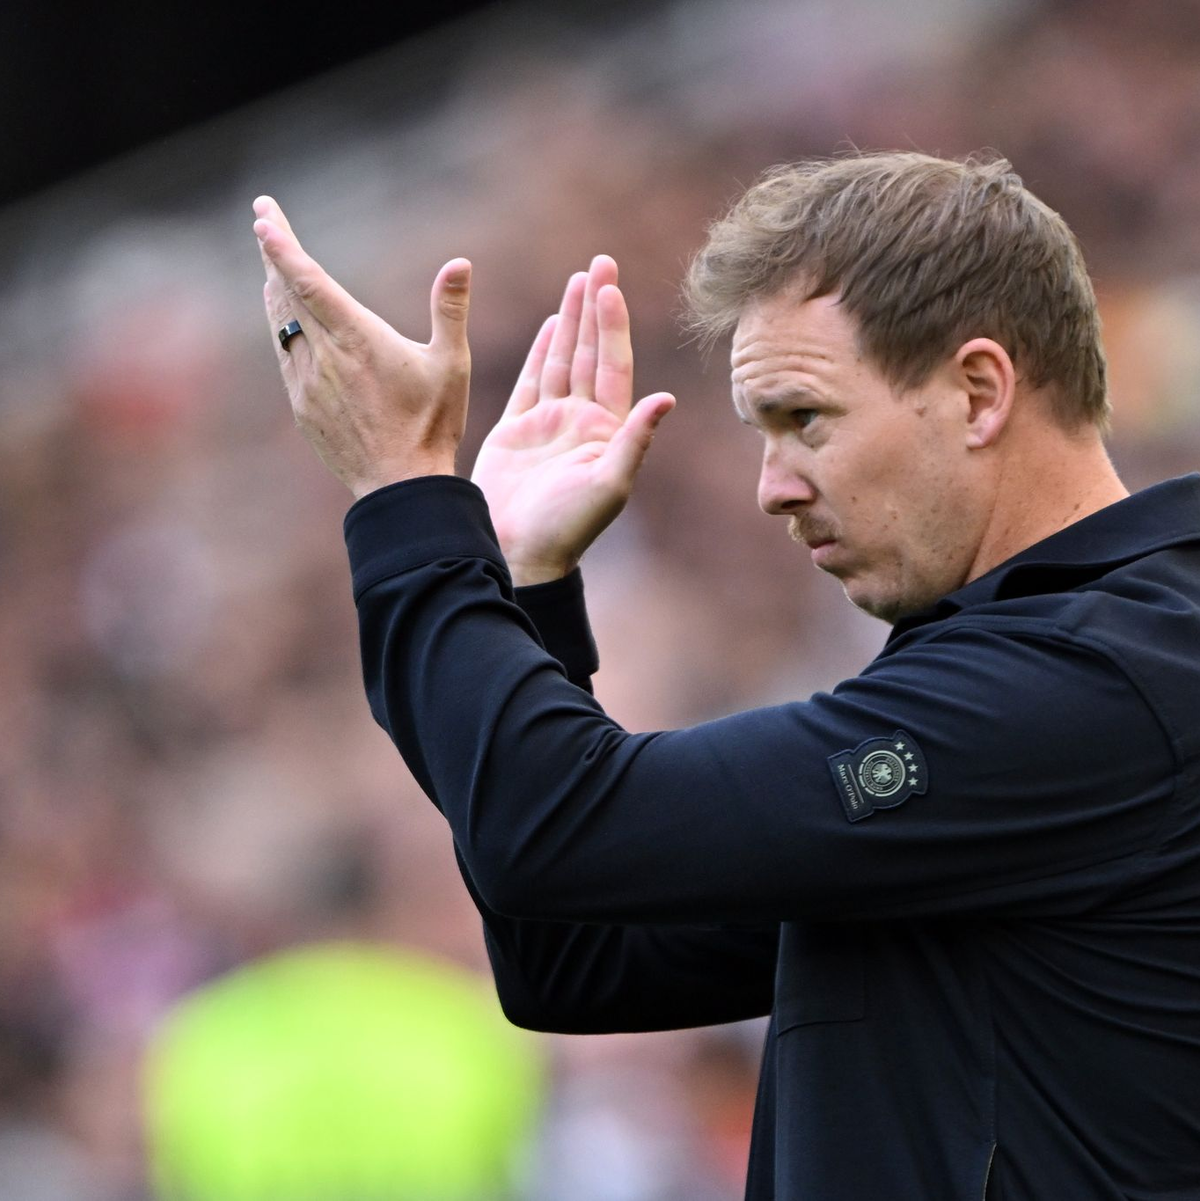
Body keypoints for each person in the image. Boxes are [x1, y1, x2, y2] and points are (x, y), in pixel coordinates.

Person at [251, 152, 1200, 1200]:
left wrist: (407, 493)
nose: (772, 488)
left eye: (806, 420)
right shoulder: (1047, 663)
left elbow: (558, 831)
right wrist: (524, 580)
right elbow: (577, 952)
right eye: (762, 432)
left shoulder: (1096, 675)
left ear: (978, 391)